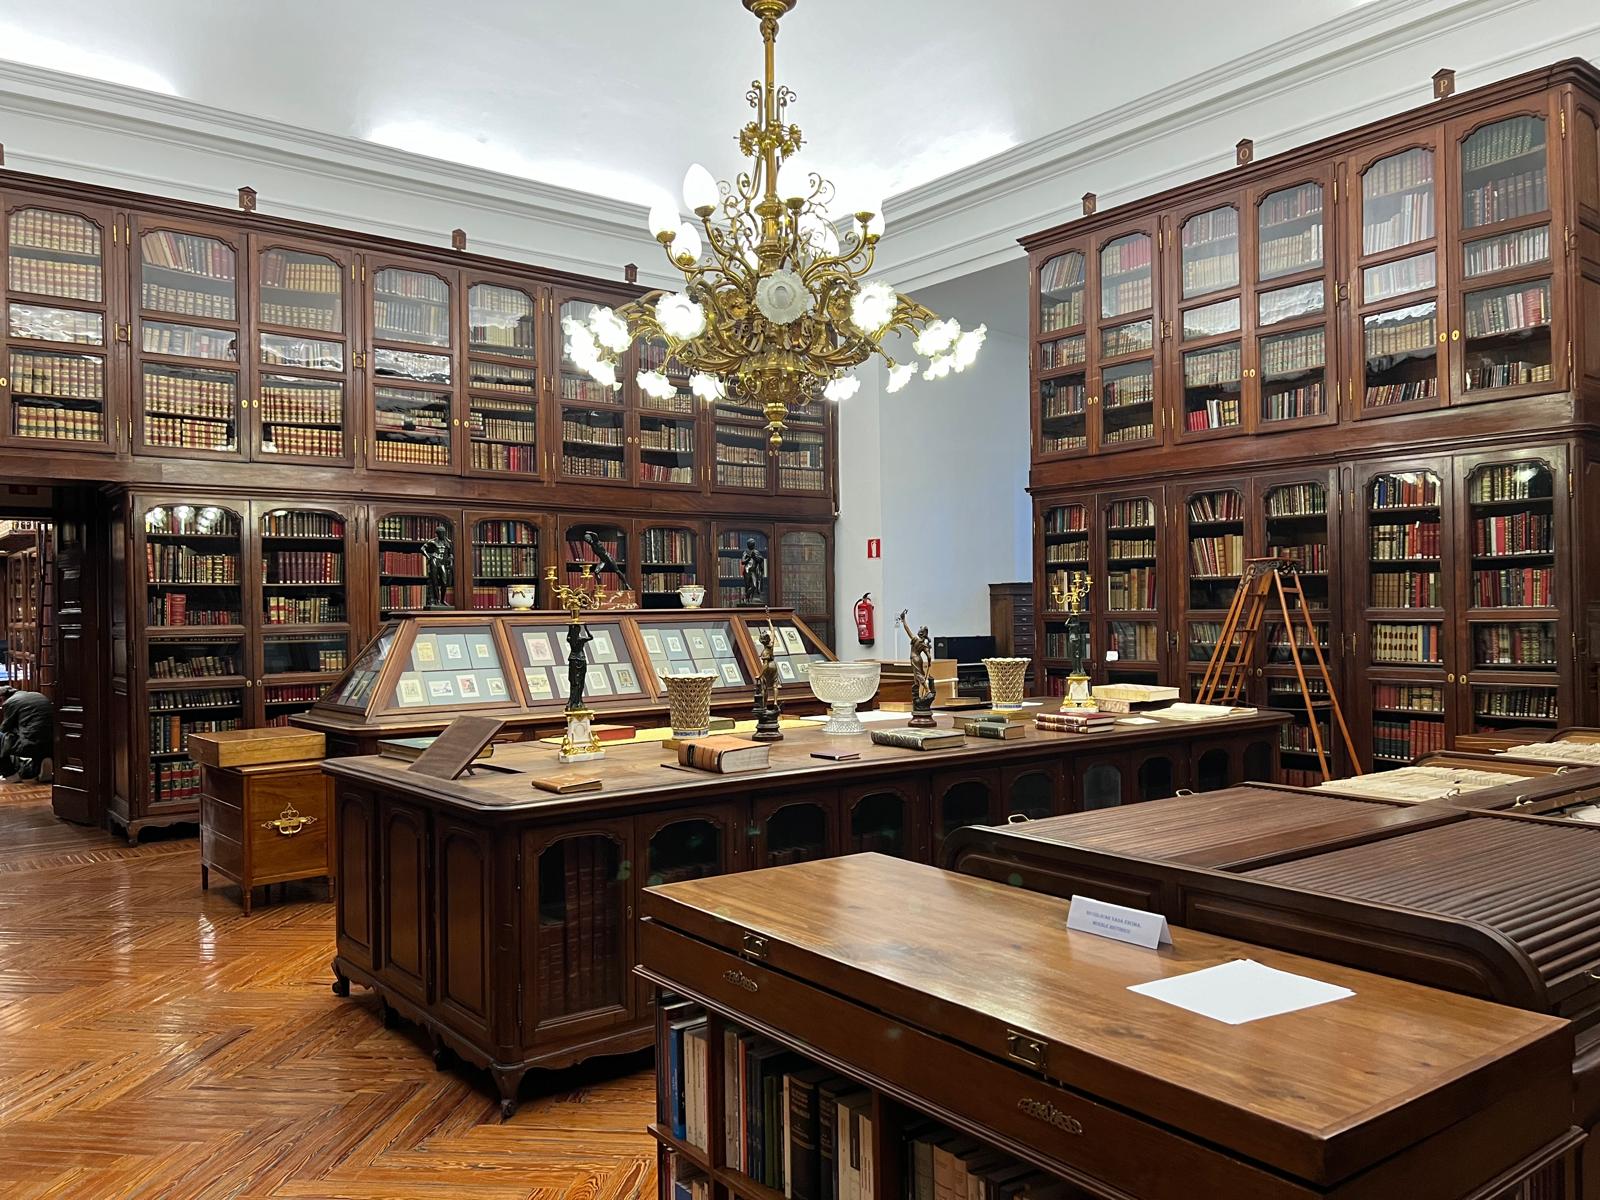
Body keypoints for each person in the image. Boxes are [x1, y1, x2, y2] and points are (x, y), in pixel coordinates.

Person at [0, 685, 54, 784]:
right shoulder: (37, 695)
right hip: (52, 744)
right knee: (37, 734)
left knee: (1, 736)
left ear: (2, 698)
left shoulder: (10, 702)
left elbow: (5, 728)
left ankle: (10, 774)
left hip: (30, 745)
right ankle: (44, 761)